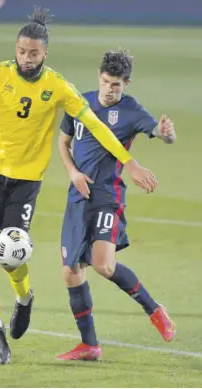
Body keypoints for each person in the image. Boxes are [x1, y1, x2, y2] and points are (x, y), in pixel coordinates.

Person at [0, 8, 157, 365]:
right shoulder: (0, 74)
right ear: (15, 49)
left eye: (33, 53)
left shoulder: (58, 87)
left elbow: (96, 126)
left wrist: (129, 161)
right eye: (21, 50)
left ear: (45, 53)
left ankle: (24, 296)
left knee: (10, 254)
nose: (26, 58)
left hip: (27, 179)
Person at [57, 49, 176, 361]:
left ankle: (155, 310)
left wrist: (166, 134)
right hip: (77, 196)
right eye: (106, 82)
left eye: (117, 85)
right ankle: (90, 345)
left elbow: (156, 131)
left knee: (103, 265)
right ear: (99, 77)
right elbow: (63, 142)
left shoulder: (131, 110)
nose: (110, 89)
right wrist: (73, 173)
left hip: (107, 197)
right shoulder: (79, 103)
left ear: (127, 84)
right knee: (71, 271)